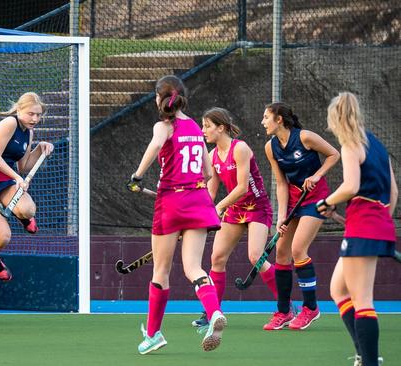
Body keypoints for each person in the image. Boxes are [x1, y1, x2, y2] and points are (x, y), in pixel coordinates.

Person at [127, 75, 224, 354]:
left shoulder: (164, 126)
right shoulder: (195, 126)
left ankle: (154, 334)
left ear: (160, 99)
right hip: (198, 200)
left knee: (162, 270)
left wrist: (137, 175)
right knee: (194, 267)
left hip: (171, 202)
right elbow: (208, 173)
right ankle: (214, 312)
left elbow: (156, 144)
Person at [317, 92, 395, 366]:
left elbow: (350, 186)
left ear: (336, 118)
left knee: (363, 300)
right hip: (370, 223)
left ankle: (370, 361)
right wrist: (345, 215)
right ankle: (364, 353)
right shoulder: (377, 144)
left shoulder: (351, 143)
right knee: (338, 290)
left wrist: (325, 201)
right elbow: (393, 192)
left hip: (365, 226)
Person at [191, 107, 276, 329]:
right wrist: (197, 215)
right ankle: (213, 312)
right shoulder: (212, 156)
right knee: (217, 258)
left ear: (221, 128)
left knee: (255, 255)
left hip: (257, 207)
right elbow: (210, 193)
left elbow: (242, 187)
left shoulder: (240, 149)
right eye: (203, 126)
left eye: (207, 126)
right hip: (235, 209)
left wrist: (219, 206)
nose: (203, 131)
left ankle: (285, 305)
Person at [262, 102, 340, 331]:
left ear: (279, 120)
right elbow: (281, 183)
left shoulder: (305, 137)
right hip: (294, 200)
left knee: (298, 250)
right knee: (282, 252)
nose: (263, 122)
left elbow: (334, 154)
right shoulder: (271, 147)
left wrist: (317, 175)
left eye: (266, 117)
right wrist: (281, 216)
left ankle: (310, 308)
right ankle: (284, 311)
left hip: (315, 198)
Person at [0, 92, 54, 282]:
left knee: (28, 209)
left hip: (4, 180)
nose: (35, 119)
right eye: (31, 114)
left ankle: (22, 217)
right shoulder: (10, 123)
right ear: (19, 109)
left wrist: (40, 148)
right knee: (3, 237)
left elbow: (24, 165)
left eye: (39, 115)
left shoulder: (28, 132)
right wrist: (17, 178)